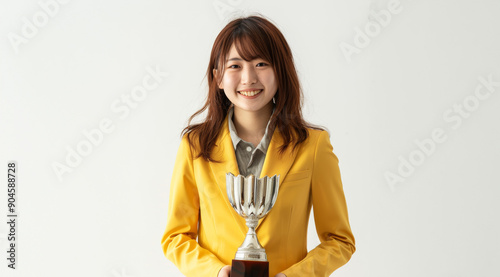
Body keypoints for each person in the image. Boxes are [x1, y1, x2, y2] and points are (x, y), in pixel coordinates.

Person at [161, 14, 355, 277]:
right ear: (218, 77)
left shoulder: (312, 146)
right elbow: (176, 237)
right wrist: (216, 272)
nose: (248, 78)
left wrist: (292, 276)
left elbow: (339, 241)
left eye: (261, 63)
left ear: (281, 70)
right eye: (235, 66)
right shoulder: (195, 145)